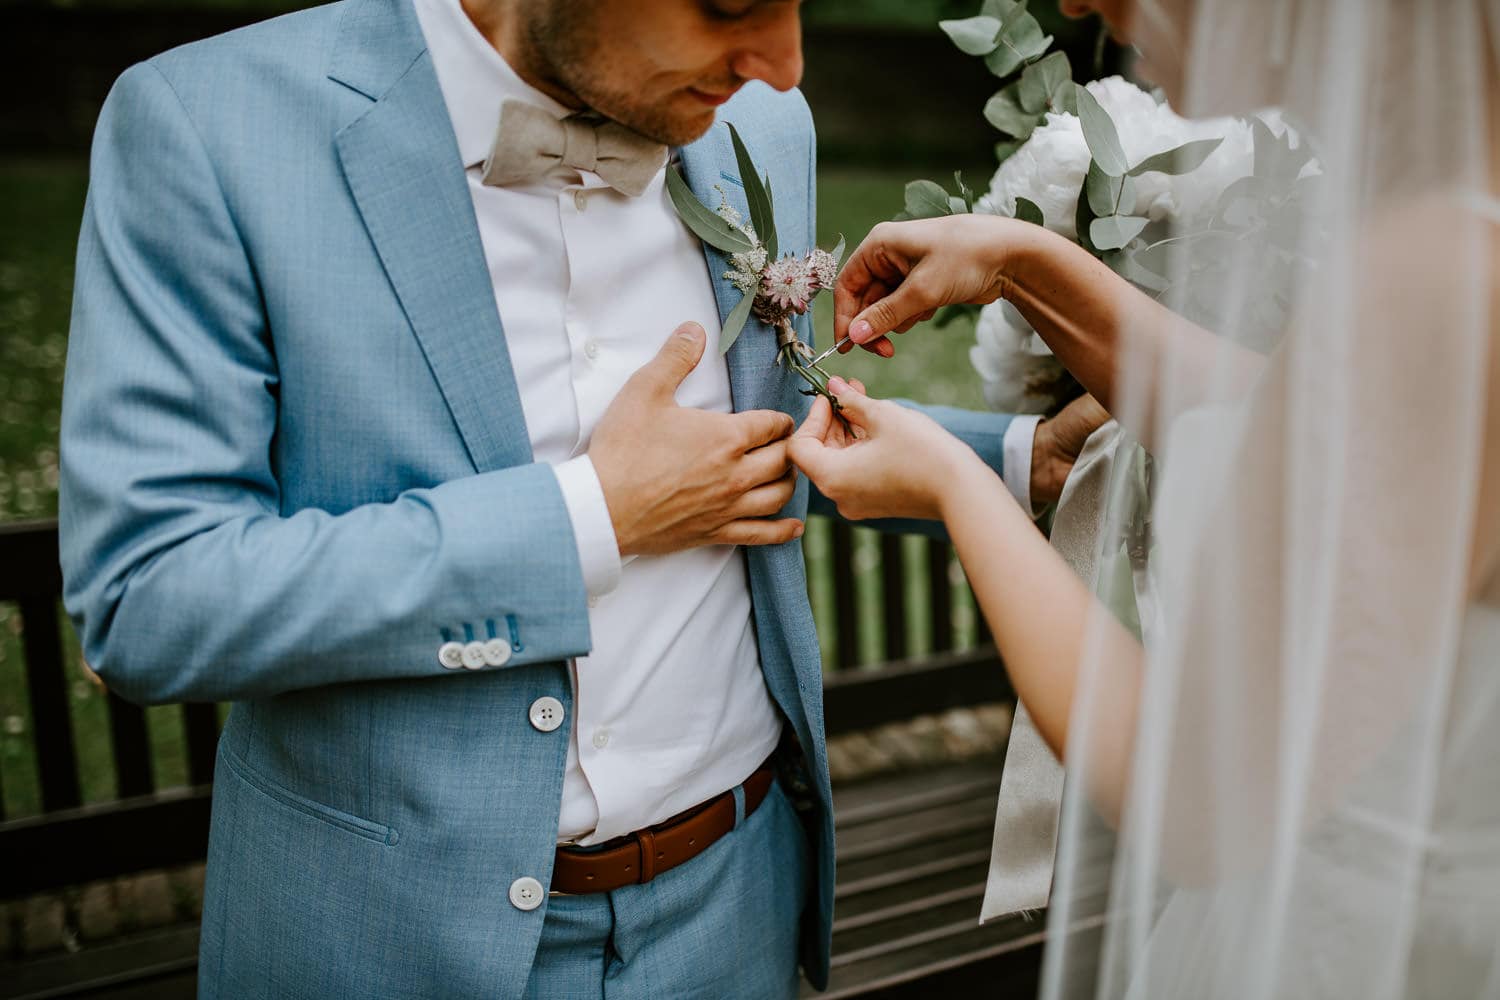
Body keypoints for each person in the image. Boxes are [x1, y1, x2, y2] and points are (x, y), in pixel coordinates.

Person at [57, 0, 1101, 996]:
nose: (783, 66)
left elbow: (748, 438)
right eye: (728, 5)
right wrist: (590, 517)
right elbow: (149, 595)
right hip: (390, 939)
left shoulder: (761, 122)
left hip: (737, 909)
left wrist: (1017, 461)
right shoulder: (207, 128)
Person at [790, 0, 1500, 997]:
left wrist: (959, 485)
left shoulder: (1428, 274)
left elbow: (1198, 789)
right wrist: (1022, 263)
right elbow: (1303, 438)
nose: (1078, 3)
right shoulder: (1454, 221)